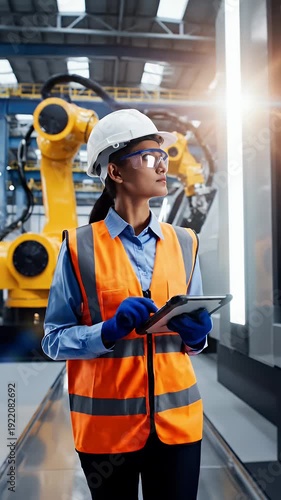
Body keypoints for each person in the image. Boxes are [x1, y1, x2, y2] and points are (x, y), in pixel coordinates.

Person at [42, 108, 213, 500]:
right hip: (107, 434)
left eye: (163, 157)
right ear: (116, 173)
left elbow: (195, 335)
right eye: (150, 157)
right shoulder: (78, 247)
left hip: (178, 426)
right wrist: (107, 332)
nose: (162, 166)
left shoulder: (186, 242)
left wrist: (199, 337)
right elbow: (53, 339)